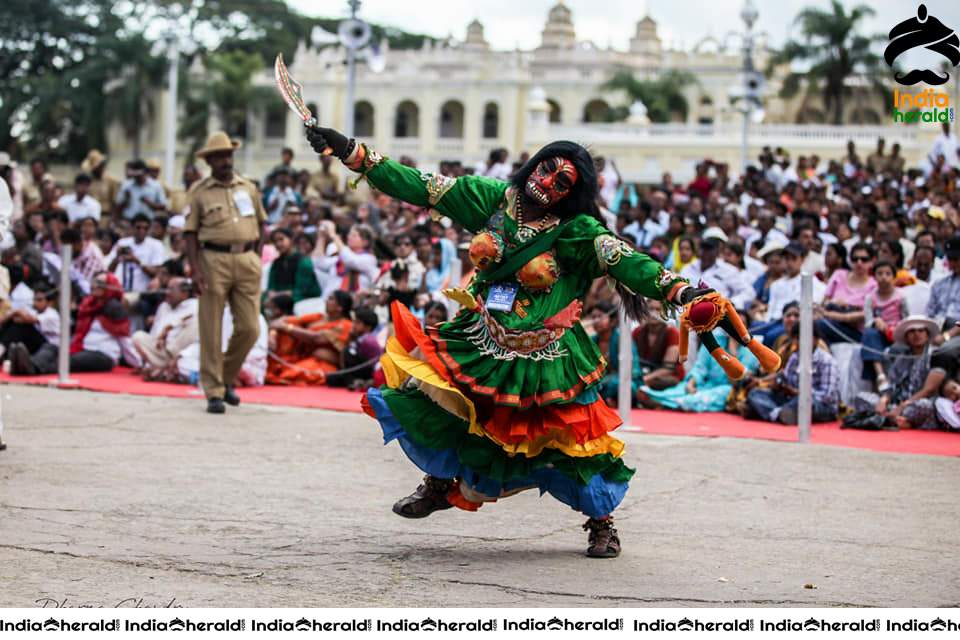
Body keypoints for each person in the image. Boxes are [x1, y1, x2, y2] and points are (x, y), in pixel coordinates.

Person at [305, 124, 725, 558]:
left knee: (572, 440)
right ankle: (437, 485)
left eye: (562, 183)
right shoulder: (489, 199)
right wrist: (350, 151)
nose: (547, 183)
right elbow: (419, 184)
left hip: (550, 350)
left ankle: (602, 523)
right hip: (483, 336)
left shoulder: (577, 230)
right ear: (534, 163)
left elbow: (625, 259)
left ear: (571, 194)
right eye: (546, 170)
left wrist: (681, 289)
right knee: (448, 404)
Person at [184, 131, 267, 414]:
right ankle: (214, 391)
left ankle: (226, 378)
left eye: (228, 155)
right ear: (209, 161)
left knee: (250, 328)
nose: (225, 160)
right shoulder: (199, 192)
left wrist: (256, 256)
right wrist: (195, 270)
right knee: (211, 328)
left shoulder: (249, 188)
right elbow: (190, 233)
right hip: (212, 259)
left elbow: (262, 223)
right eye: (219, 156)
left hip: (246, 258)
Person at [9, 273, 134, 375]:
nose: (95, 285)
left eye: (100, 283)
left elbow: (124, 339)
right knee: (50, 348)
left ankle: (33, 369)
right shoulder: (88, 305)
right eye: (95, 282)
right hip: (81, 348)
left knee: (67, 361)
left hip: (103, 354)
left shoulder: (114, 308)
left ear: (109, 287)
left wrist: (138, 364)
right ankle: (28, 364)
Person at [854, 316, 943, 430]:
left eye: (921, 330)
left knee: (925, 405)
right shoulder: (902, 358)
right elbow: (891, 385)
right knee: (861, 397)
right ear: (906, 337)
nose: (916, 334)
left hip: (915, 404)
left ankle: (893, 420)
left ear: (927, 334)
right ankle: (894, 419)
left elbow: (928, 390)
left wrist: (902, 407)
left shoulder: (935, 356)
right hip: (896, 403)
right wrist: (883, 400)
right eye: (912, 331)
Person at [636, 329, 758, 412]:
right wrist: (691, 383)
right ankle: (659, 398)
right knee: (681, 389)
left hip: (728, 389)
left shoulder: (749, 351)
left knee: (704, 397)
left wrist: (733, 350)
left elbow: (736, 381)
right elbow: (700, 367)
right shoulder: (714, 341)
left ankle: (665, 404)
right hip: (705, 384)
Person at [745, 324, 839, 425]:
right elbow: (785, 378)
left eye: (806, 337)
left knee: (803, 401)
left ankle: (769, 412)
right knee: (755, 393)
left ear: (816, 339)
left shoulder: (827, 361)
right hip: (791, 399)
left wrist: (797, 392)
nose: (802, 341)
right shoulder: (795, 357)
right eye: (798, 338)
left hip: (819, 405)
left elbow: (826, 396)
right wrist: (778, 385)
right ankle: (780, 414)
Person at [266, 290, 353, 385]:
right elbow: (282, 321)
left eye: (331, 299)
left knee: (289, 375)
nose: (326, 301)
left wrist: (288, 328)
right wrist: (273, 335)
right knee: (279, 370)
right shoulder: (318, 317)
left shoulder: (345, 325)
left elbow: (317, 338)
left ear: (340, 307)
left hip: (326, 364)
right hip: (304, 358)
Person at [132, 277, 199, 380]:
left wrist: (168, 329)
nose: (167, 292)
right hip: (162, 352)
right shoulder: (163, 307)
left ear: (184, 293)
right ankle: (160, 369)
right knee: (138, 336)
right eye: (166, 288)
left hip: (181, 351)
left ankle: (163, 370)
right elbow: (154, 334)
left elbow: (195, 337)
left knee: (195, 326)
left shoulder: (195, 305)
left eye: (171, 289)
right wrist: (147, 365)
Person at [860, 261, 909, 391]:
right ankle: (879, 374)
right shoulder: (870, 298)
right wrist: (876, 322)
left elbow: (906, 318)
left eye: (888, 274)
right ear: (874, 277)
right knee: (869, 334)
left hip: (896, 334)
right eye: (880, 274)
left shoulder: (901, 297)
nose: (884, 277)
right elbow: (867, 321)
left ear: (894, 277)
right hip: (879, 334)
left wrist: (895, 329)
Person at [816, 242, 877, 344]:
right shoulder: (839, 275)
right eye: (855, 259)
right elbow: (824, 302)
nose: (859, 263)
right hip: (830, 321)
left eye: (864, 259)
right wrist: (834, 303)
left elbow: (866, 314)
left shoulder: (874, 285)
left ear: (872, 261)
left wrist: (833, 315)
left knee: (819, 325)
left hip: (855, 330)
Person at [680, 235, 754, 310]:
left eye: (709, 249)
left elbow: (749, 292)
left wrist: (731, 302)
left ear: (717, 252)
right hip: (688, 312)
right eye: (703, 248)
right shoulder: (688, 269)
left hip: (718, 314)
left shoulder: (727, 270)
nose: (705, 253)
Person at [323, 306, 383, 389]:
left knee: (348, 352)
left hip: (370, 372)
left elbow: (373, 364)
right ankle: (355, 381)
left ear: (367, 327)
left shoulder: (368, 340)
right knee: (331, 378)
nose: (353, 325)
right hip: (359, 369)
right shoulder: (359, 337)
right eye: (353, 322)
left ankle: (356, 382)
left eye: (357, 323)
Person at [0, 286, 58, 361]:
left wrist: (16, 312)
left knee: (22, 328)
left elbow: (29, 319)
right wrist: (14, 314)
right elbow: (14, 320)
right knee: (12, 324)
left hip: (50, 349)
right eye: (34, 299)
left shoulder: (52, 314)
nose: (35, 303)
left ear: (50, 303)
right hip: (36, 346)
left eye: (39, 300)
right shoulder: (35, 312)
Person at [264, 227, 322, 304]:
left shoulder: (303, 261)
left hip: (301, 298)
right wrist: (271, 294)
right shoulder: (276, 263)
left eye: (281, 239)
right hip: (279, 297)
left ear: (291, 240)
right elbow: (271, 286)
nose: (278, 244)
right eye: (275, 241)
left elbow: (301, 290)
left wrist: (278, 295)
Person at [81, 150, 120, 221]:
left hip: (106, 216)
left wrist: (113, 219)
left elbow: (115, 202)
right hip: (89, 217)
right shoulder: (88, 181)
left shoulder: (111, 181)